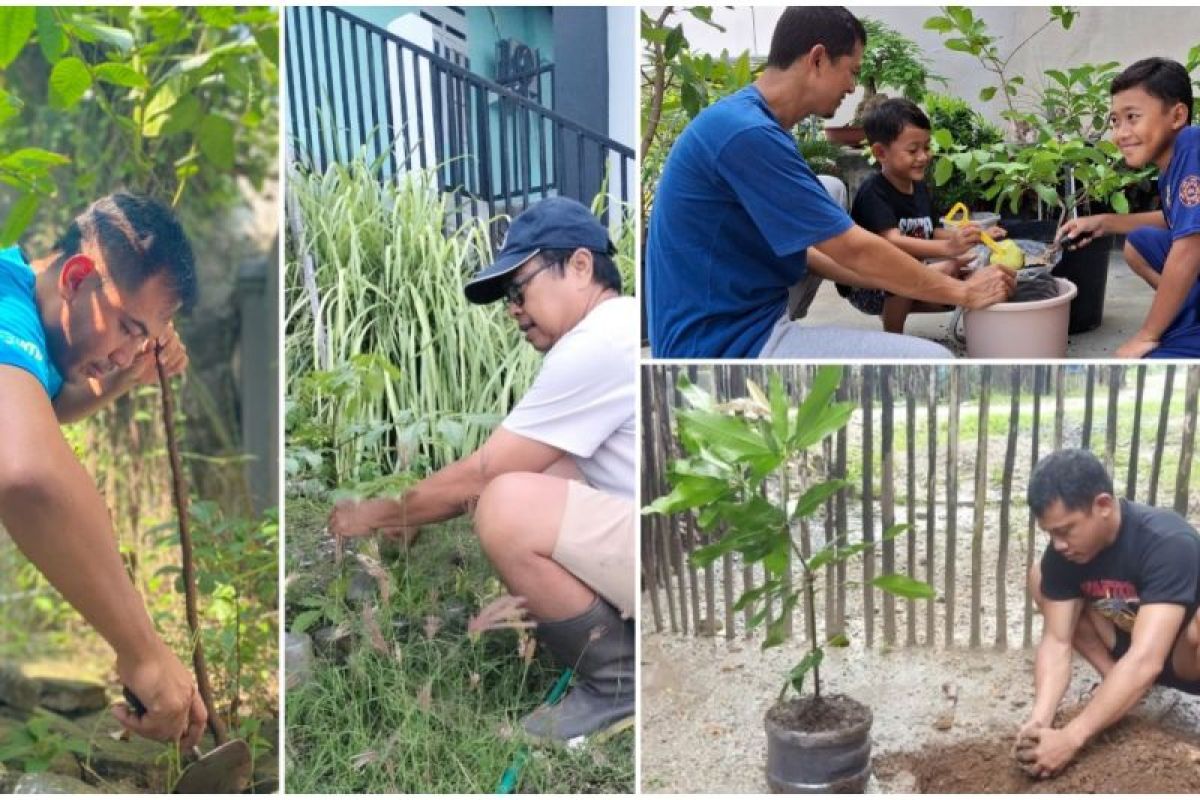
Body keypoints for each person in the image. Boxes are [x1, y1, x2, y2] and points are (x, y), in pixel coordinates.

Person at [328, 196, 636, 742]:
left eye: (519, 289)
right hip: (672, 533)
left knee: (507, 503)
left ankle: (618, 682)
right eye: (507, 300)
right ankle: (607, 636)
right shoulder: (622, 326)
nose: (513, 308)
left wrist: (375, 514)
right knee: (549, 465)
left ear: (582, 266)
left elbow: (484, 474)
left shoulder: (599, 341)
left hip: (671, 549)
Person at [645, 6, 1014, 359]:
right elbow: (852, 249)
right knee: (935, 361)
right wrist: (963, 292)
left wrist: (918, 277)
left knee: (829, 188)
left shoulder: (751, 122)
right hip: (720, 347)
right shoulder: (746, 134)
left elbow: (809, 254)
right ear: (818, 59)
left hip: (736, 311)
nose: (853, 87)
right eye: (851, 71)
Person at [0, 193, 205, 746]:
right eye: (126, 325)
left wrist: (123, 375)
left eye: (143, 337)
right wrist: (144, 654)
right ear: (77, 276)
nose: (126, 349)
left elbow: (42, 403)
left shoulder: (22, 301)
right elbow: (26, 472)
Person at [1017, 449, 1200, 779]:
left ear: (1102, 505)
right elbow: (1057, 641)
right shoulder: (1064, 554)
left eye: (1066, 530)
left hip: (1185, 661)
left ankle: (1128, 688)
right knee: (1040, 576)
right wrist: (1039, 721)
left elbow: (1146, 659)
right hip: (1127, 650)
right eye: (1050, 533)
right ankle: (1117, 683)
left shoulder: (1167, 541)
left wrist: (1072, 737)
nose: (1058, 544)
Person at [1057, 57, 1200, 358]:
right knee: (1138, 243)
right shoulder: (1171, 167)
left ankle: (1181, 328)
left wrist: (1146, 335)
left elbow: (1189, 250)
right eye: (1115, 121)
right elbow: (1177, 220)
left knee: (1142, 365)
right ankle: (1185, 317)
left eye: (1132, 117)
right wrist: (1104, 222)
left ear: (1177, 116)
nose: (1120, 133)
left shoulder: (1192, 146)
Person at [840, 98, 1009, 334]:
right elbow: (891, 241)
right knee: (911, 273)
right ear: (880, 152)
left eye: (927, 147)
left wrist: (976, 237)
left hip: (901, 277)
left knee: (956, 270)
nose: (923, 156)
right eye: (912, 150)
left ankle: (896, 310)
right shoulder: (874, 191)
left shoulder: (919, 187)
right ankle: (893, 336)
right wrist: (948, 248)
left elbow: (932, 230)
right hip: (868, 286)